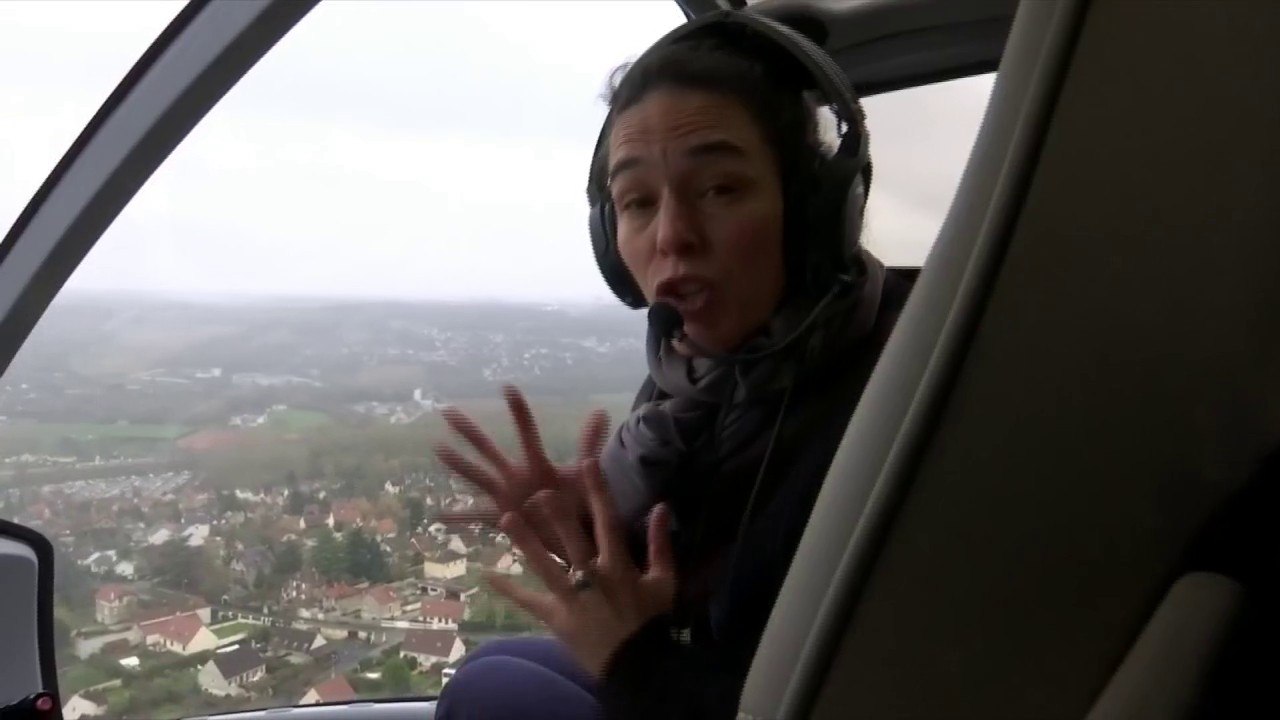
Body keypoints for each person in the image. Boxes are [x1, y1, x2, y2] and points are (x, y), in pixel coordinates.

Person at [432, 11, 914, 720]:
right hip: (701, 675)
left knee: (490, 695)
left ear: (812, 210)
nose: (673, 237)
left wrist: (638, 662)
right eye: (636, 202)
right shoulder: (694, 374)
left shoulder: (891, 389)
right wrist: (586, 524)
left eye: (720, 189)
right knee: (493, 661)